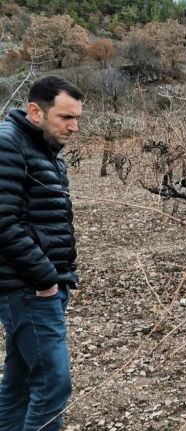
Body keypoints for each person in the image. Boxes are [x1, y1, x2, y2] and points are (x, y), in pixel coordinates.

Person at [0, 75, 82, 430]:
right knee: (52, 385)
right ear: (35, 111)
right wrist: (45, 276)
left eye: (77, 118)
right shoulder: (8, 144)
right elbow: (2, 221)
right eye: (66, 117)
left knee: (17, 386)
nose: (74, 126)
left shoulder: (44, 148)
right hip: (28, 287)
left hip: (39, 284)